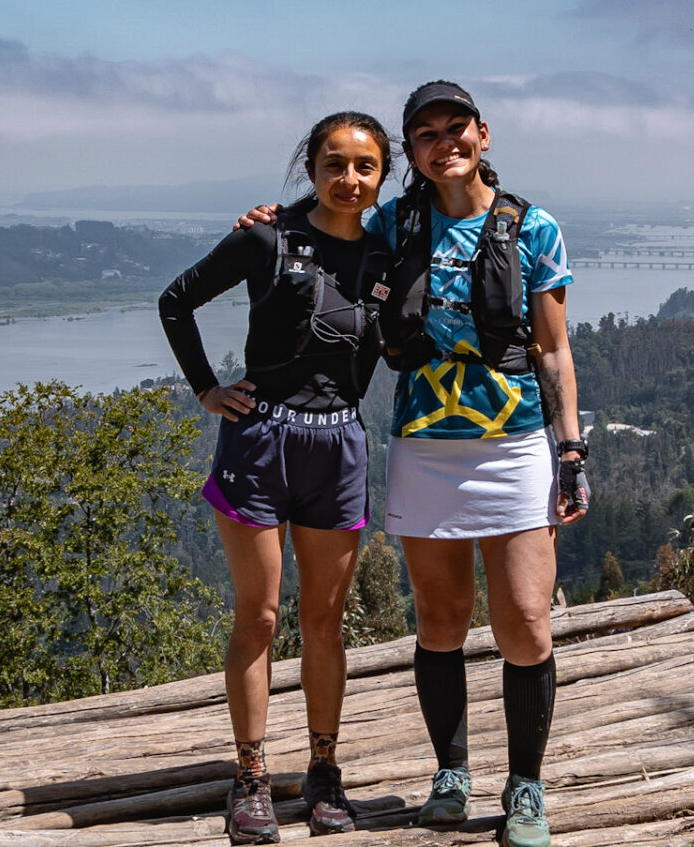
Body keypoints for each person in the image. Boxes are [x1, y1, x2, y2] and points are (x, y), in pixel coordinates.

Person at [241, 82, 590, 847]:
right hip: (426, 442)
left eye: (455, 128)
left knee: (526, 622)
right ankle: (452, 773)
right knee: (439, 619)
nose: (444, 143)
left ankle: (526, 786)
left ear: (483, 134)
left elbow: (553, 347)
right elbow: (321, 225)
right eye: (425, 134)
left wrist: (570, 450)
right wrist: (263, 223)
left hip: (516, 442)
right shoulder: (396, 223)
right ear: (413, 152)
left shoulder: (533, 227)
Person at [158, 111, 394, 844]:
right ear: (310, 167)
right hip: (259, 443)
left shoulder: (390, 252)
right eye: (333, 163)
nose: (348, 179)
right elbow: (177, 301)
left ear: (383, 174)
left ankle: (323, 772)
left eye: (364, 166)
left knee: (325, 621)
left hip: (338, 449)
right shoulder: (268, 238)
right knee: (259, 617)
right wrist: (205, 388)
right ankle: (252, 776)